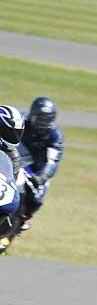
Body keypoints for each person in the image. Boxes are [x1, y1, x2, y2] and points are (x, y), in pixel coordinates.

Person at [20, 97, 65, 229]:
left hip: (36, 170)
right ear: (32, 115)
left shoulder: (55, 136)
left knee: (36, 199)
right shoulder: (20, 121)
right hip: (14, 161)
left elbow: (53, 161)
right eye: (39, 119)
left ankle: (27, 216)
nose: (42, 123)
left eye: (46, 120)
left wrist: (42, 177)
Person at [0, 105, 25, 223]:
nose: (14, 137)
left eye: (17, 133)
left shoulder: (13, 156)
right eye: (9, 132)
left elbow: (11, 182)